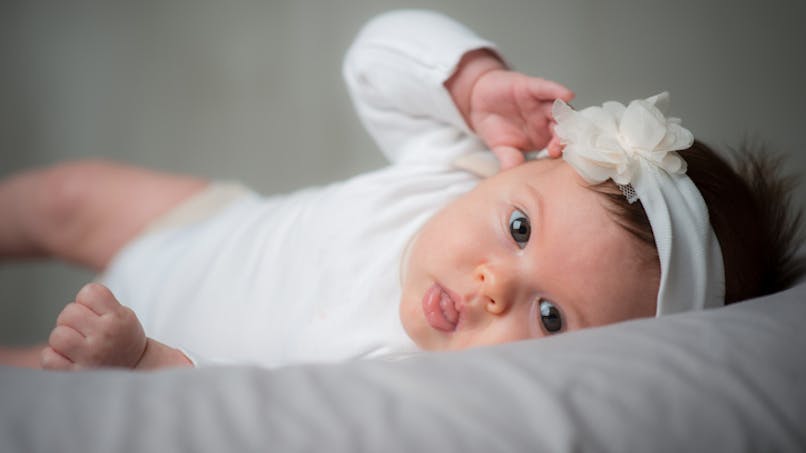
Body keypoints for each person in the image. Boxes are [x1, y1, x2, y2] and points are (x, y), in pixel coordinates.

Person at [0, 10, 802, 370]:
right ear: (521, 164)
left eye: (550, 317)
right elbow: (375, 60)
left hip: (151, 335)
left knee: (33, 374)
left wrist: (145, 364)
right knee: (69, 194)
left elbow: (265, 422)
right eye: (520, 227)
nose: (495, 285)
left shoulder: (407, 378)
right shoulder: (451, 167)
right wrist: (470, 81)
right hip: (206, 224)